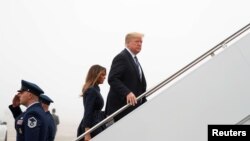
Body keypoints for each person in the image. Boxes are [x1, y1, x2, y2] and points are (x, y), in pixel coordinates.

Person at [105, 32, 147, 122]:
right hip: (120, 110)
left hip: (132, 109)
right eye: (136, 41)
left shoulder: (135, 59)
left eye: (141, 42)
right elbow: (112, 78)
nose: (139, 44)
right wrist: (127, 92)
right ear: (127, 43)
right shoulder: (122, 57)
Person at [77, 65, 107, 141]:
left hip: (95, 124)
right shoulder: (92, 90)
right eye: (102, 75)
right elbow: (88, 111)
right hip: (91, 127)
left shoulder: (95, 89)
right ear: (96, 75)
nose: (104, 77)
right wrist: (87, 133)